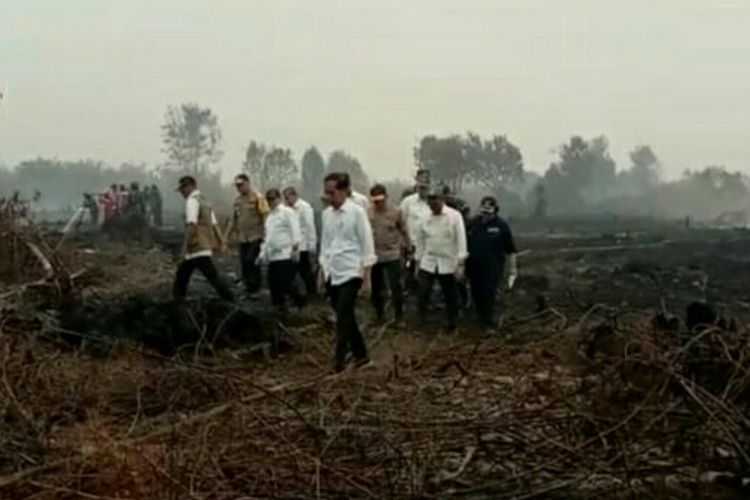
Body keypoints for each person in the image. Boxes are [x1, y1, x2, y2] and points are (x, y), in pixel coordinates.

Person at [319, 172, 376, 373]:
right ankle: (362, 356)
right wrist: (322, 271)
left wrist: (367, 276)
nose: (328, 197)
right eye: (326, 192)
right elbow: (325, 245)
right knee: (345, 315)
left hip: (352, 270)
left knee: (343, 316)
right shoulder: (326, 215)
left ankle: (339, 362)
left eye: (332, 192)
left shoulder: (356, 213)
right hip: (333, 271)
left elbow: (367, 244)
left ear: (343, 191)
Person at [173, 176, 235, 302]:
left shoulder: (192, 200)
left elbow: (192, 224)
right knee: (183, 275)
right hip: (204, 246)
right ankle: (178, 300)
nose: (182, 193)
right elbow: (214, 225)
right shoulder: (204, 201)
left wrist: (185, 247)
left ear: (189, 186)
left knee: (207, 276)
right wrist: (222, 242)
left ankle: (229, 298)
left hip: (195, 247)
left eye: (182, 190)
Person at [415, 190, 468, 332]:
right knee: (423, 291)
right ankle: (421, 320)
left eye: (436, 205)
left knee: (450, 293)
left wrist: (460, 264)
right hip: (429, 260)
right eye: (431, 206)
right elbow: (420, 242)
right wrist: (417, 263)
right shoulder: (424, 217)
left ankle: (452, 322)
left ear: (442, 201)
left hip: (448, 261)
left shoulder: (454, 216)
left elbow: (461, 241)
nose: (434, 208)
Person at [466, 196, 518, 327]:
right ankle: (480, 316)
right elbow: (463, 244)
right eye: (483, 210)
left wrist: (513, 268)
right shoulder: (472, 223)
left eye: (489, 210)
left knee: (489, 292)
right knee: (476, 292)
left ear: (495, 210)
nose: (486, 214)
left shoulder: (501, 226)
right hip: (473, 265)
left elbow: (511, 250)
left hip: (493, 266)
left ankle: (487, 320)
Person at [259, 189, 306, 313]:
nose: (271, 202)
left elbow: (295, 231)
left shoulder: (287, 212)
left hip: (285, 254)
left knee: (287, 282)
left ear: (279, 198)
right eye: (268, 199)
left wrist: (295, 250)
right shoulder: (270, 217)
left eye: (273, 199)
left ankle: (299, 302)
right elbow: (268, 237)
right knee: (274, 284)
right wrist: (262, 253)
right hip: (273, 256)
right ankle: (279, 308)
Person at [368, 184, 408, 324]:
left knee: (396, 286)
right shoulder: (368, 212)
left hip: (392, 254)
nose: (378, 203)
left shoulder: (396, 211)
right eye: (375, 201)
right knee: (377, 288)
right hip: (375, 255)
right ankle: (379, 315)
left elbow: (403, 230)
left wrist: (407, 248)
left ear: (386, 197)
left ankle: (399, 317)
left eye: (380, 200)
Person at [225, 173, 269, 298]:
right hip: (243, 237)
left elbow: (265, 215)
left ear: (248, 183)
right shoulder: (237, 201)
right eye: (237, 186)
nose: (239, 188)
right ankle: (248, 287)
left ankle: (256, 288)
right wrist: (226, 236)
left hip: (256, 236)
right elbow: (233, 220)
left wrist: (266, 234)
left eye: (241, 185)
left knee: (252, 261)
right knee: (244, 262)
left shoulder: (258, 198)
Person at [399, 169, 432, 291]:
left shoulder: (434, 202)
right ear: (417, 182)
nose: (424, 184)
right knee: (407, 276)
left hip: (428, 248)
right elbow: (400, 223)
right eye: (421, 181)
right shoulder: (408, 202)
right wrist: (404, 244)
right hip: (410, 247)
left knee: (425, 279)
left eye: (427, 181)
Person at [283, 186, 318, 295]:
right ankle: (297, 293)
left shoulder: (304, 207)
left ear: (294, 195)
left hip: (303, 245)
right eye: (285, 198)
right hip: (292, 245)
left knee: (305, 270)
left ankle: (311, 291)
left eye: (288, 197)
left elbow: (309, 226)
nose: (287, 200)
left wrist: (312, 244)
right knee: (292, 271)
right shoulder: (287, 209)